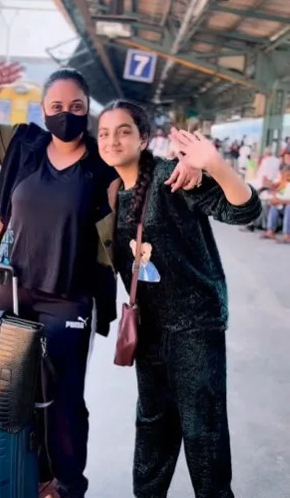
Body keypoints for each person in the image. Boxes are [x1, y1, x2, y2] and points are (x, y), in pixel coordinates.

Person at [0, 63, 202, 498]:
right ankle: (34, 477)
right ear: (43, 109)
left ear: (88, 110)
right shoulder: (23, 145)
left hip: (69, 299)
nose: (66, 114)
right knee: (18, 394)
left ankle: (68, 486)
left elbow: (152, 175)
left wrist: (195, 164)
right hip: (11, 292)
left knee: (63, 400)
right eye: (56, 106)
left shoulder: (103, 162)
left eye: (77, 106)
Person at [96, 99, 262, 498]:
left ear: (143, 138)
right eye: (104, 133)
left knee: (203, 433)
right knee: (152, 427)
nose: (113, 140)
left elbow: (245, 211)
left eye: (123, 131)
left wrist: (215, 165)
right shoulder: (111, 192)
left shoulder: (172, 176)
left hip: (195, 327)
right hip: (149, 330)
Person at [261, 163, 290, 243]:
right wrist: (275, 198)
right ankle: (270, 231)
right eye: (285, 175)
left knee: (289, 207)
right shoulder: (285, 184)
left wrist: (279, 201)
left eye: (288, 175)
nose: (286, 177)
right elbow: (280, 195)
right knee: (275, 207)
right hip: (284, 206)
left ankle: (287, 235)